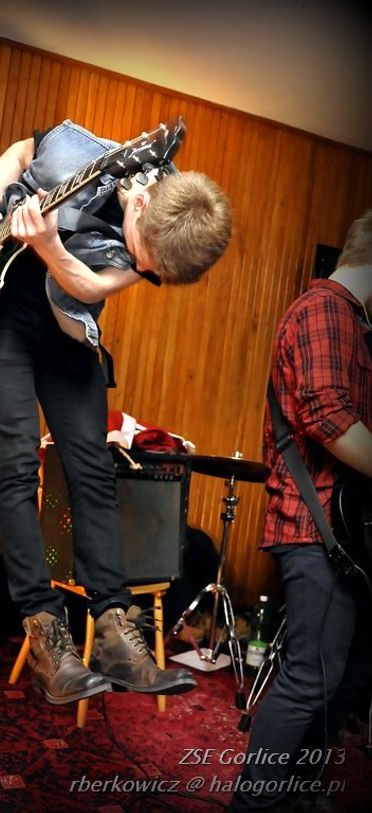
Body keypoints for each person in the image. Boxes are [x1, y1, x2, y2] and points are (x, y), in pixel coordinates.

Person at [0, 119, 232, 706]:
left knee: (93, 470)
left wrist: (49, 246)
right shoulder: (80, 152)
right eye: (141, 257)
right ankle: (46, 636)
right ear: (139, 202)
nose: (141, 270)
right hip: (2, 315)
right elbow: (20, 153)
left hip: (67, 327)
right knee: (17, 466)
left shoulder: (166, 232)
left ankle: (116, 633)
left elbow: (90, 286)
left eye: (150, 272)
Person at [231, 210, 372, 812]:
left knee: (348, 677)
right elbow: (327, 415)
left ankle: (299, 792)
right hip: (317, 530)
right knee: (311, 677)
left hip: (346, 535)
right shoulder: (326, 310)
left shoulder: (352, 320)